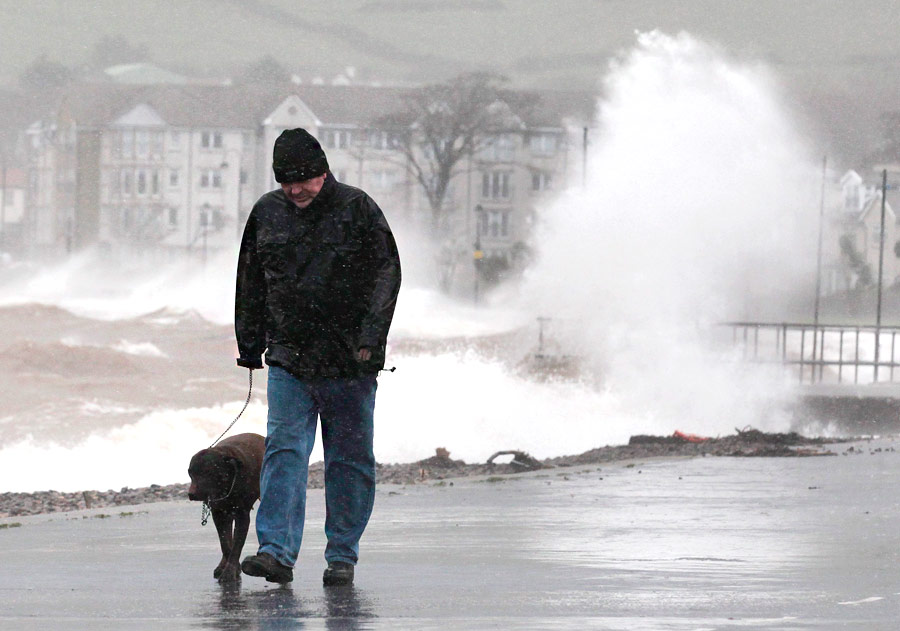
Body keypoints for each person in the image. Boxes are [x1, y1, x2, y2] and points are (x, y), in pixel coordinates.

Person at [234, 128, 401, 586]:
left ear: (324, 171)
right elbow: (250, 279)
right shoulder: (267, 212)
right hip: (290, 356)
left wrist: (372, 339)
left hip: (350, 360)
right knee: (284, 452)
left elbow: (388, 273)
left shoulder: (357, 208)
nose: (296, 189)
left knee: (349, 460)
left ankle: (342, 554)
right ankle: (275, 553)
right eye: (287, 181)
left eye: (305, 179)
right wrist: (249, 344)